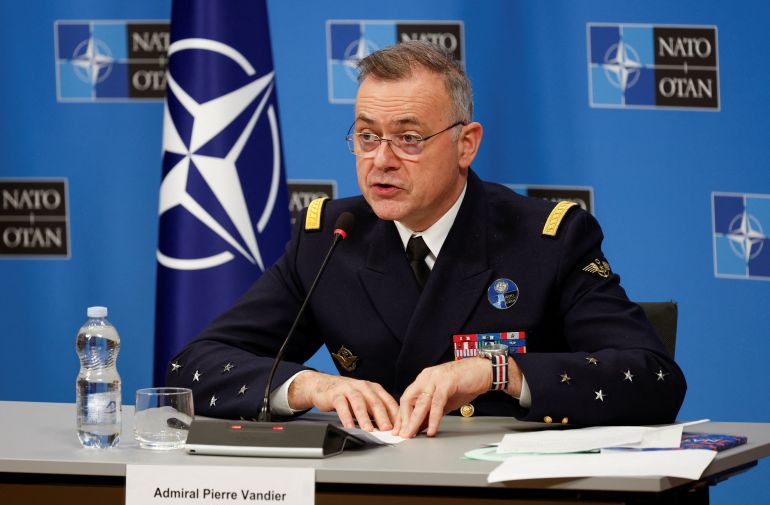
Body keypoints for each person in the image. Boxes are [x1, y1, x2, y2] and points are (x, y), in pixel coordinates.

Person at [166, 41, 686, 438]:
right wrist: (311, 385)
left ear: (466, 145)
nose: (381, 160)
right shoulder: (331, 237)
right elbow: (191, 368)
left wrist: (496, 371)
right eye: (367, 136)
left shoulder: (547, 238)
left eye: (409, 139)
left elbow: (655, 377)